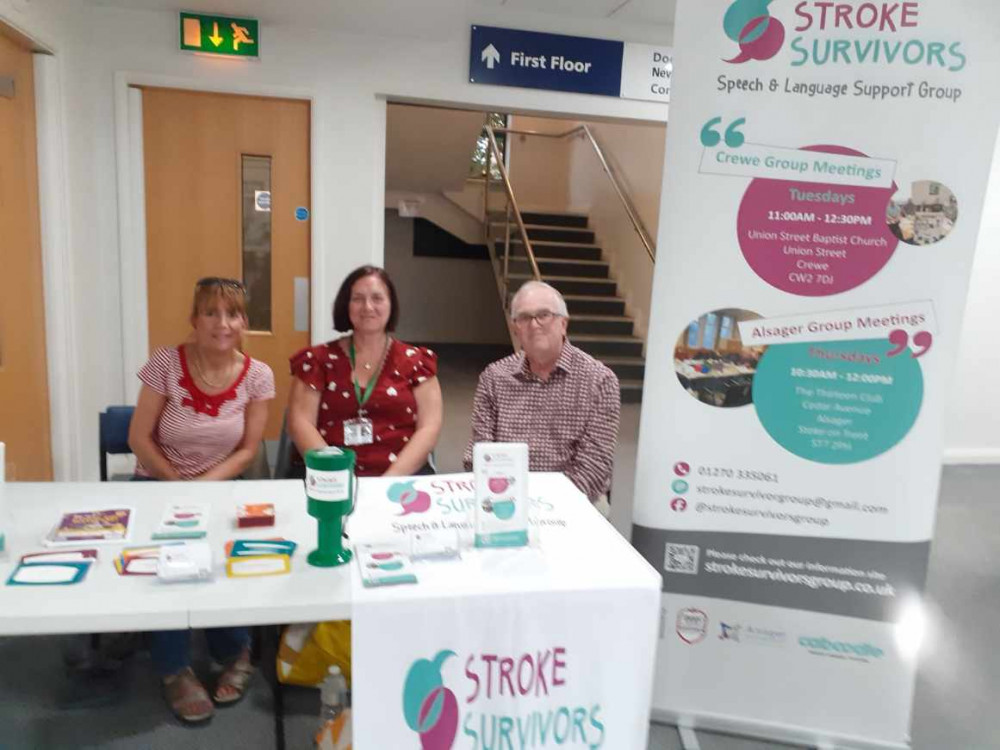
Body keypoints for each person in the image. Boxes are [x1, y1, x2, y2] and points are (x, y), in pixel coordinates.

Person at [128, 277, 275, 723]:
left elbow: (249, 449)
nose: (222, 323)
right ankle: (175, 668)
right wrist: (177, 484)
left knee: (230, 556)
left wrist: (206, 487)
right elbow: (138, 437)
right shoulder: (164, 364)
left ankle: (235, 647)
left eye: (232, 314)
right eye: (211, 313)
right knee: (171, 563)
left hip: (222, 484)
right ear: (194, 319)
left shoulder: (258, 375)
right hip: (159, 482)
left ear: (244, 322)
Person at [463, 281, 620, 515]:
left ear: (563, 323)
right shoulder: (493, 377)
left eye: (544, 315)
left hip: (574, 501)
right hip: (504, 499)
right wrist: (507, 501)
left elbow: (594, 466)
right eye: (524, 318)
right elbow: (480, 451)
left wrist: (542, 508)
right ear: (516, 327)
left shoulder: (600, 380)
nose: (534, 325)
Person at [287, 265, 442, 477]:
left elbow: (429, 428)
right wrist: (337, 476)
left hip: (400, 477)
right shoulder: (317, 360)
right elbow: (301, 423)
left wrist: (387, 482)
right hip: (329, 476)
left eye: (377, 298)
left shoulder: (417, 363)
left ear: (391, 305)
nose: (368, 307)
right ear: (346, 305)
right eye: (358, 299)